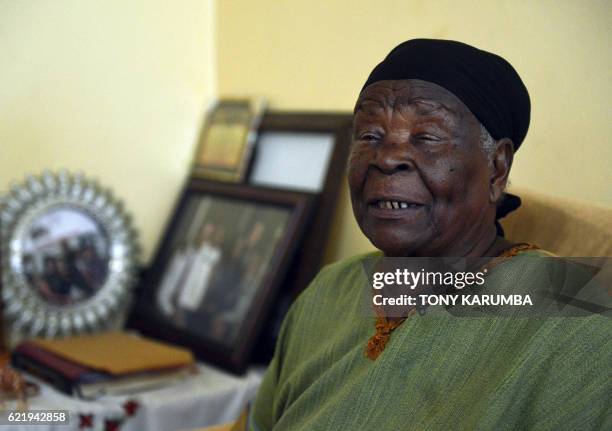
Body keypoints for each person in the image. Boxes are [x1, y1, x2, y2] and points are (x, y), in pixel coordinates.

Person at [245, 39, 611, 430]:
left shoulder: (576, 322)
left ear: (497, 169)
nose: (386, 157)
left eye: (427, 137)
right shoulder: (329, 289)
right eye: (369, 135)